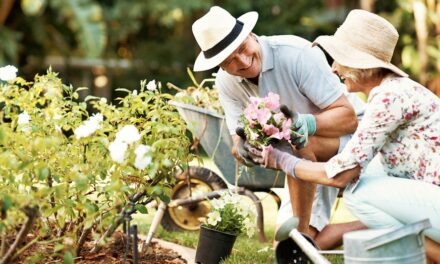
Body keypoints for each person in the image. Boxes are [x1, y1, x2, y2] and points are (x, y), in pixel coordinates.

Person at [248, 9, 440, 262]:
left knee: (357, 192)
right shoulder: (393, 91)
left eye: (339, 59)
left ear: (361, 63)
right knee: (369, 175)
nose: (333, 69)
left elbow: (342, 174)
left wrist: (283, 161)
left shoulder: (389, 98)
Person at [191, 6, 366, 249]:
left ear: (251, 35)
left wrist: (307, 123)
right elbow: (236, 140)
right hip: (303, 161)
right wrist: (243, 148)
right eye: (230, 61)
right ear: (220, 66)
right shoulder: (226, 83)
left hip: (354, 140)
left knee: (296, 142)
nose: (242, 61)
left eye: (242, 49)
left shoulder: (296, 54)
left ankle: (301, 238)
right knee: (287, 245)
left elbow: (349, 118)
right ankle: (378, 228)